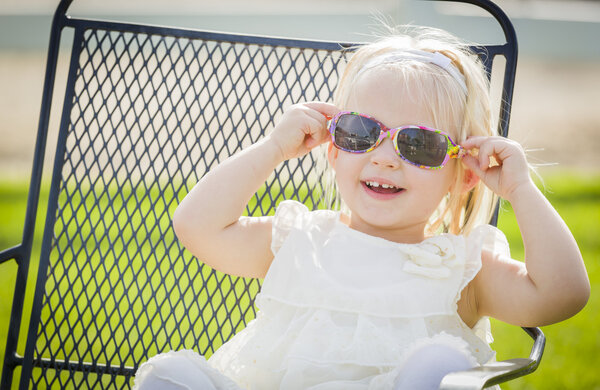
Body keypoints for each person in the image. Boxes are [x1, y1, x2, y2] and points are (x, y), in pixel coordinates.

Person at [133, 26, 590, 390]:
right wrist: (273, 147)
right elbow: (197, 226)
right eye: (360, 132)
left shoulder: (461, 268)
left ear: (463, 174)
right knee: (167, 377)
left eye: (419, 144)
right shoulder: (300, 240)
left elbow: (562, 294)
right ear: (333, 149)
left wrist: (521, 190)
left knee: (442, 364)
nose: (385, 157)